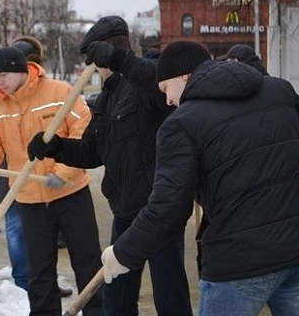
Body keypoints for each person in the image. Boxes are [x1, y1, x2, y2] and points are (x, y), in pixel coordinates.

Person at [99, 41, 299, 315]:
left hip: (240, 262)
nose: (168, 100)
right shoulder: (279, 90)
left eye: (165, 89)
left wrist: (122, 253)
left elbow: (168, 209)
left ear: (183, 76)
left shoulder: (180, 124)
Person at [27, 16, 192, 316]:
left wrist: (121, 59)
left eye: (93, 57)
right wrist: (56, 148)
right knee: (116, 299)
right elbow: (92, 152)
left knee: (170, 297)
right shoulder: (105, 100)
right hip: (125, 212)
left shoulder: (148, 82)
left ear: (104, 54)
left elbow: (158, 85)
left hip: (158, 212)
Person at [0, 47, 103, 315]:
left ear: (21, 70)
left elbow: (83, 133)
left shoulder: (59, 93)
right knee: (39, 271)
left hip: (71, 193)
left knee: (87, 264)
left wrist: (63, 172)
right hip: (29, 198)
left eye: (4, 74)